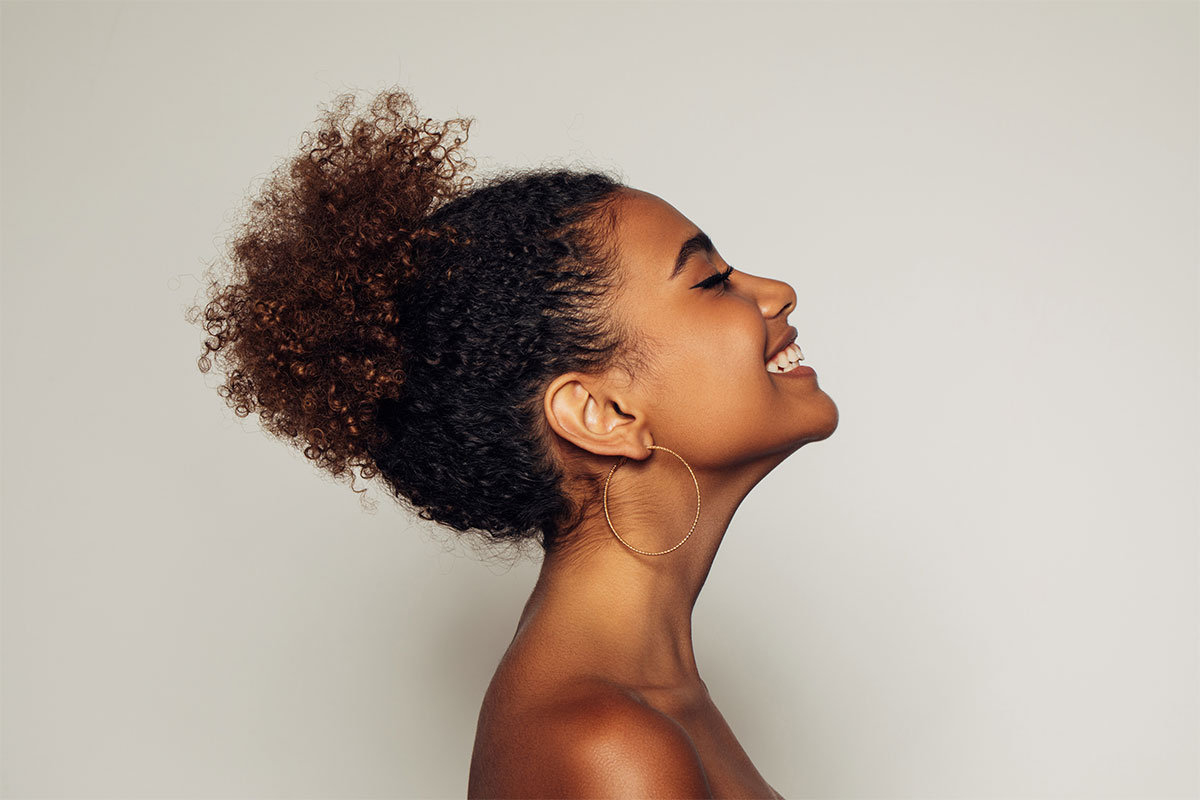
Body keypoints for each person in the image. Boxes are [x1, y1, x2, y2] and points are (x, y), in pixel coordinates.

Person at [191, 88, 838, 799]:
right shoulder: (609, 746)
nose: (777, 292)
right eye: (712, 281)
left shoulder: (649, 701)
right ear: (601, 411)